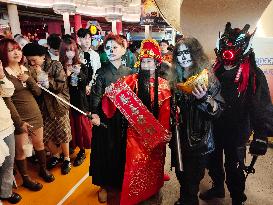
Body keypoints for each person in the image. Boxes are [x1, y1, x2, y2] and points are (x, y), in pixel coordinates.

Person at [199, 22, 272, 205]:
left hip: (237, 129)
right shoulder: (215, 69)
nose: (228, 52)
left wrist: (261, 136)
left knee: (234, 166)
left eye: (233, 48)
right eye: (226, 47)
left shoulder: (252, 74)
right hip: (215, 127)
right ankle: (218, 187)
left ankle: (237, 197)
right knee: (213, 161)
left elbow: (261, 106)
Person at [169, 37, 224, 205]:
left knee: (192, 180)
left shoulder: (208, 78)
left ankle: (188, 201)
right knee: (181, 174)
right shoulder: (174, 79)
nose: (184, 57)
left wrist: (204, 100)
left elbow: (218, 111)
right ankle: (185, 199)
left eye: (187, 52)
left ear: (196, 54)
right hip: (178, 139)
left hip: (199, 141)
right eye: (180, 53)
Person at [0, 38, 54, 192]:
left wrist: (29, 79)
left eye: (17, 48)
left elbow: (37, 92)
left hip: (35, 113)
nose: (16, 52)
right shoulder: (3, 74)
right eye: (11, 50)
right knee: (22, 150)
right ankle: (26, 179)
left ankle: (43, 170)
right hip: (18, 118)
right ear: (3, 54)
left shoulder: (26, 69)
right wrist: (19, 122)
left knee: (39, 144)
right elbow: (7, 101)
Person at [89, 33, 134, 204]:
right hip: (104, 121)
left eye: (115, 47)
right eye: (108, 48)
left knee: (122, 151)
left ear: (124, 49)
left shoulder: (130, 73)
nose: (111, 50)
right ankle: (103, 186)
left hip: (124, 122)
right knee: (104, 153)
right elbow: (94, 97)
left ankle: (120, 181)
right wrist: (94, 114)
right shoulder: (101, 72)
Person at [22, 43, 72, 175]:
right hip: (42, 107)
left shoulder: (55, 65)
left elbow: (59, 87)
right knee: (45, 135)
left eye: (34, 59)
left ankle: (66, 159)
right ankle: (55, 155)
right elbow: (36, 92)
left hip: (58, 105)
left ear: (43, 56)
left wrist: (43, 75)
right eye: (29, 60)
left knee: (63, 133)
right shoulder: (27, 69)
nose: (32, 63)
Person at [59, 38, 92, 167]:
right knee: (68, 126)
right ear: (62, 51)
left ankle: (82, 150)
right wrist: (66, 75)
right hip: (63, 102)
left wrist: (79, 75)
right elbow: (58, 84)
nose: (69, 53)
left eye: (72, 50)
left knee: (80, 127)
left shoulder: (81, 65)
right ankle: (70, 148)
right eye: (67, 50)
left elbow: (85, 83)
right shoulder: (59, 65)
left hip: (78, 101)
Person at [0, 60, 22, 204]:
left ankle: (5, 192)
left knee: (8, 162)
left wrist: (2, 76)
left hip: (5, 124)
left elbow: (8, 91)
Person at [77, 28, 101, 95]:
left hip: (93, 88)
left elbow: (98, 72)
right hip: (79, 89)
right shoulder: (76, 54)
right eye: (84, 38)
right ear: (79, 39)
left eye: (89, 38)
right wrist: (84, 86)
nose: (87, 41)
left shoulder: (95, 55)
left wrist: (90, 86)